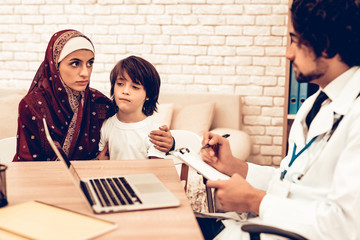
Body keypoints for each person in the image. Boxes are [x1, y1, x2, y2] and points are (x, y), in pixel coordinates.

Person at [200, 0, 360, 239]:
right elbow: (288, 180)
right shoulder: (315, 104)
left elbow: (345, 226)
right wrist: (234, 166)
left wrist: (255, 201)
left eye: (295, 41)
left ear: (325, 45)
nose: (288, 53)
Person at [13, 29, 174, 162]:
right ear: (55, 64)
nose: (85, 73)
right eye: (75, 63)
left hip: (97, 186)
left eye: (90, 63)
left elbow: (129, 129)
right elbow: (27, 165)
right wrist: (95, 163)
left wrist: (170, 144)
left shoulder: (100, 105)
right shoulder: (32, 106)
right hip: (42, 189)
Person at [97, 56, 166, 160]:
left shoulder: (154, 131)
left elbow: (157, 171)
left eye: (135, 87)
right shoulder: (106, 126)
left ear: (148, 95)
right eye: (120, 84)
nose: (125, 91)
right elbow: (101, 163)